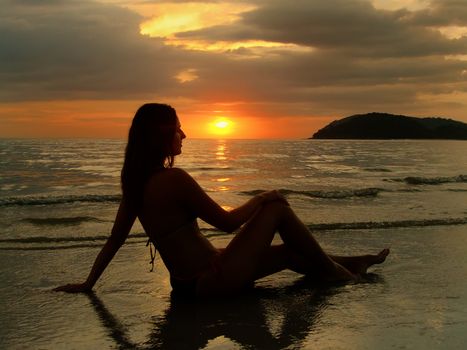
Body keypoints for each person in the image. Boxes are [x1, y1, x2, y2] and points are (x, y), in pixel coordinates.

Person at [54, 103, 389, 298]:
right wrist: (261, 197)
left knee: (289, 253)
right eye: (178, 129)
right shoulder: (174, 180)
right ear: (161, 135)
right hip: (211, 282)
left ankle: (350, 261)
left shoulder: (136, 183)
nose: (183, 135)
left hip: (193, 282)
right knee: (275, 207)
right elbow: (226, 223)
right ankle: (336, 273)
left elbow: (115, 239)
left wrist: (88, 283)